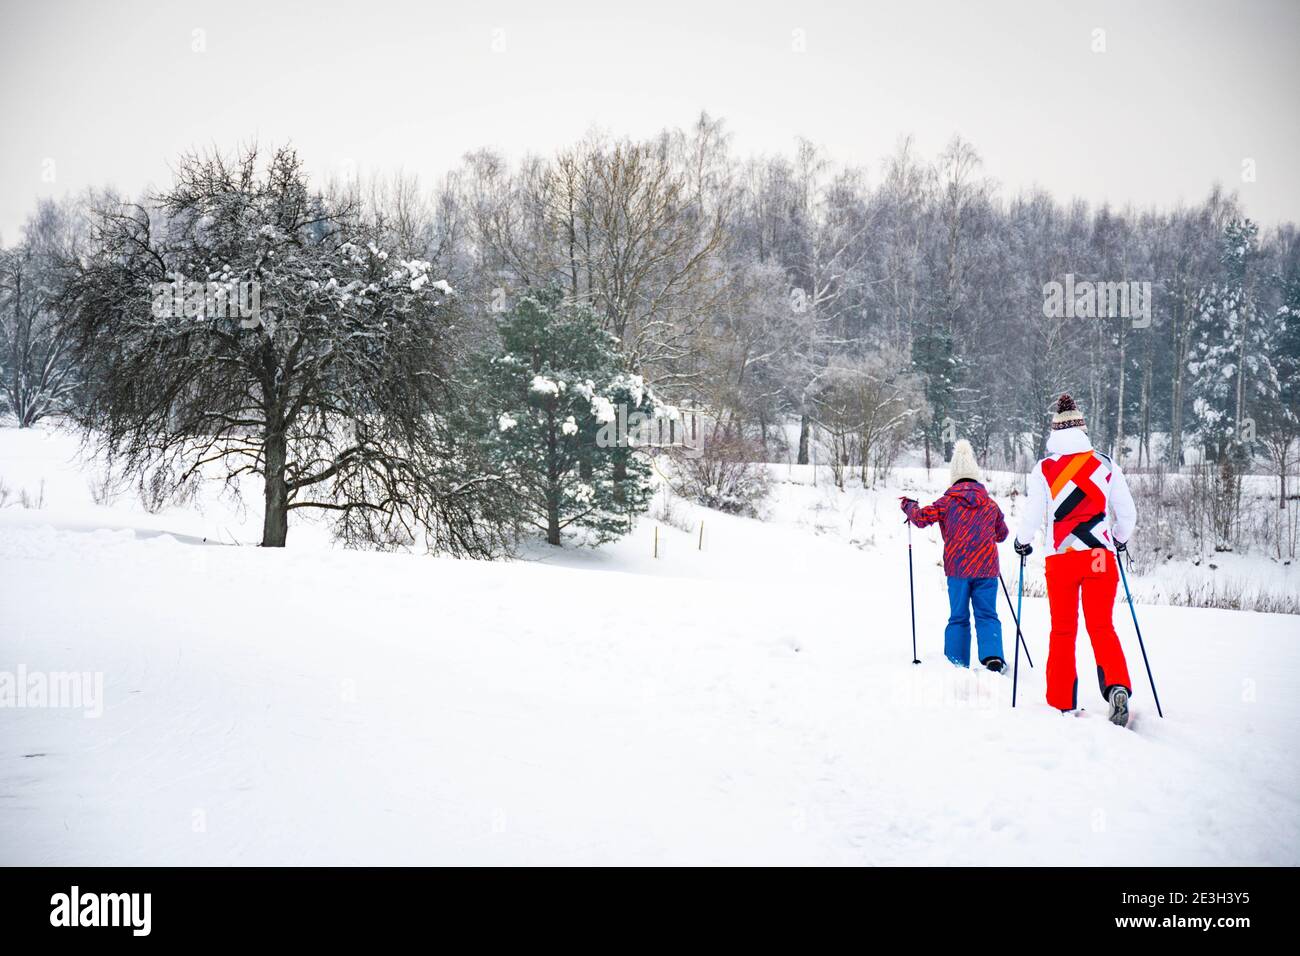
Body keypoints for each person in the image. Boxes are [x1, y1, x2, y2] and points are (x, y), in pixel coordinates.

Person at [1013, 394, 1136, 726]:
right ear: (1083, 429)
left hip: (1062, 559)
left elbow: (1034, 513)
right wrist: (1120, 539)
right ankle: (1117, 687)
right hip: (1099, 556)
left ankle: (1062, 700)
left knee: (1063, 630)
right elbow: (1127, 514)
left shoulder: (1046, 468)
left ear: (1055, 432)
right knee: (1101, 626)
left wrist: (1022, 542)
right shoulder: (1107, 463)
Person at [901, 439, 1008, 672]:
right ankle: (993, 658)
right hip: (987, 569)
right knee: (987, 614)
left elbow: (920, 519)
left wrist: (908, 506)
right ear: (975, 475)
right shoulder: (990, 505)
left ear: (954, 477)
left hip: (958, 570)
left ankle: (956, 663)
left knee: (958, 616)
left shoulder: (946, 503)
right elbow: (1003, 534)